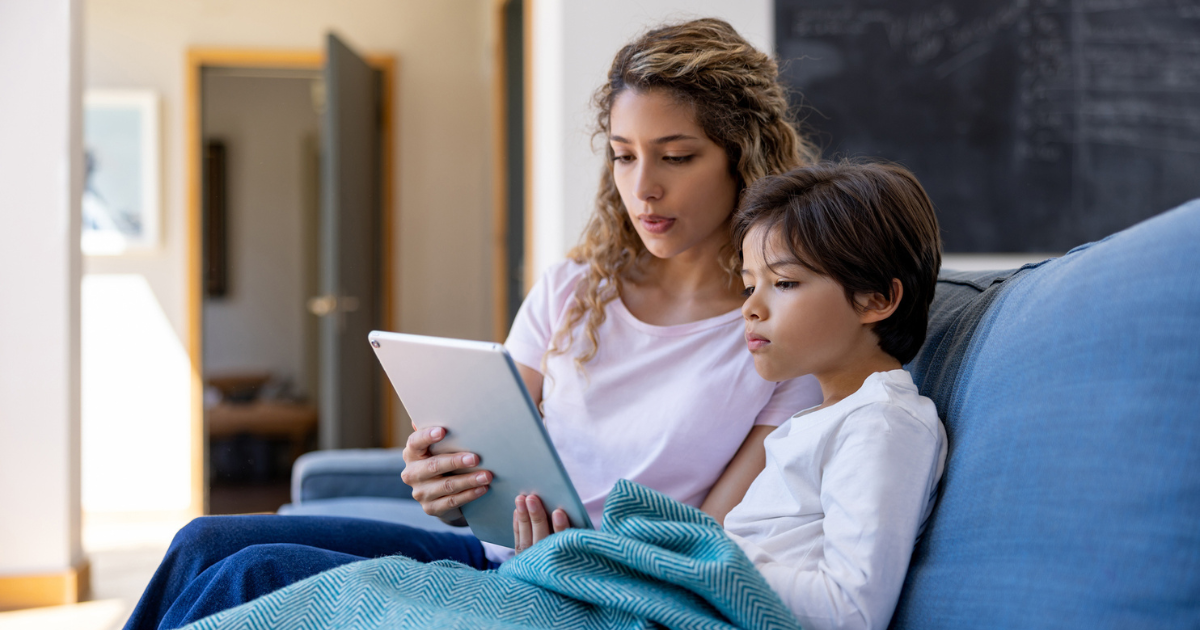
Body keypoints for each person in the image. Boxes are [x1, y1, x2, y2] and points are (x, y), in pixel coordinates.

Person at [124, 18, 823, 630]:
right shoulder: (576, 289)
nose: (643, 188)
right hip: (494, 550)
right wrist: (443, 483)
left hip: (584, 583)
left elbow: (709, 543)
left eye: (676, 156)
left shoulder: (777, 329)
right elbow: (491, 443)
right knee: (201, 544)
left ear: (745, 157)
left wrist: (574, 547)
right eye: (623, 154)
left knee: (251, 574)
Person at [513, 159, 949, 629]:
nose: (752, 309)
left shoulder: (882, 424)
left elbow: (851, 611)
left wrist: (689, 564)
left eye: (784, 283)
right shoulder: (822, 418)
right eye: (748, 286)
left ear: (877, 299)